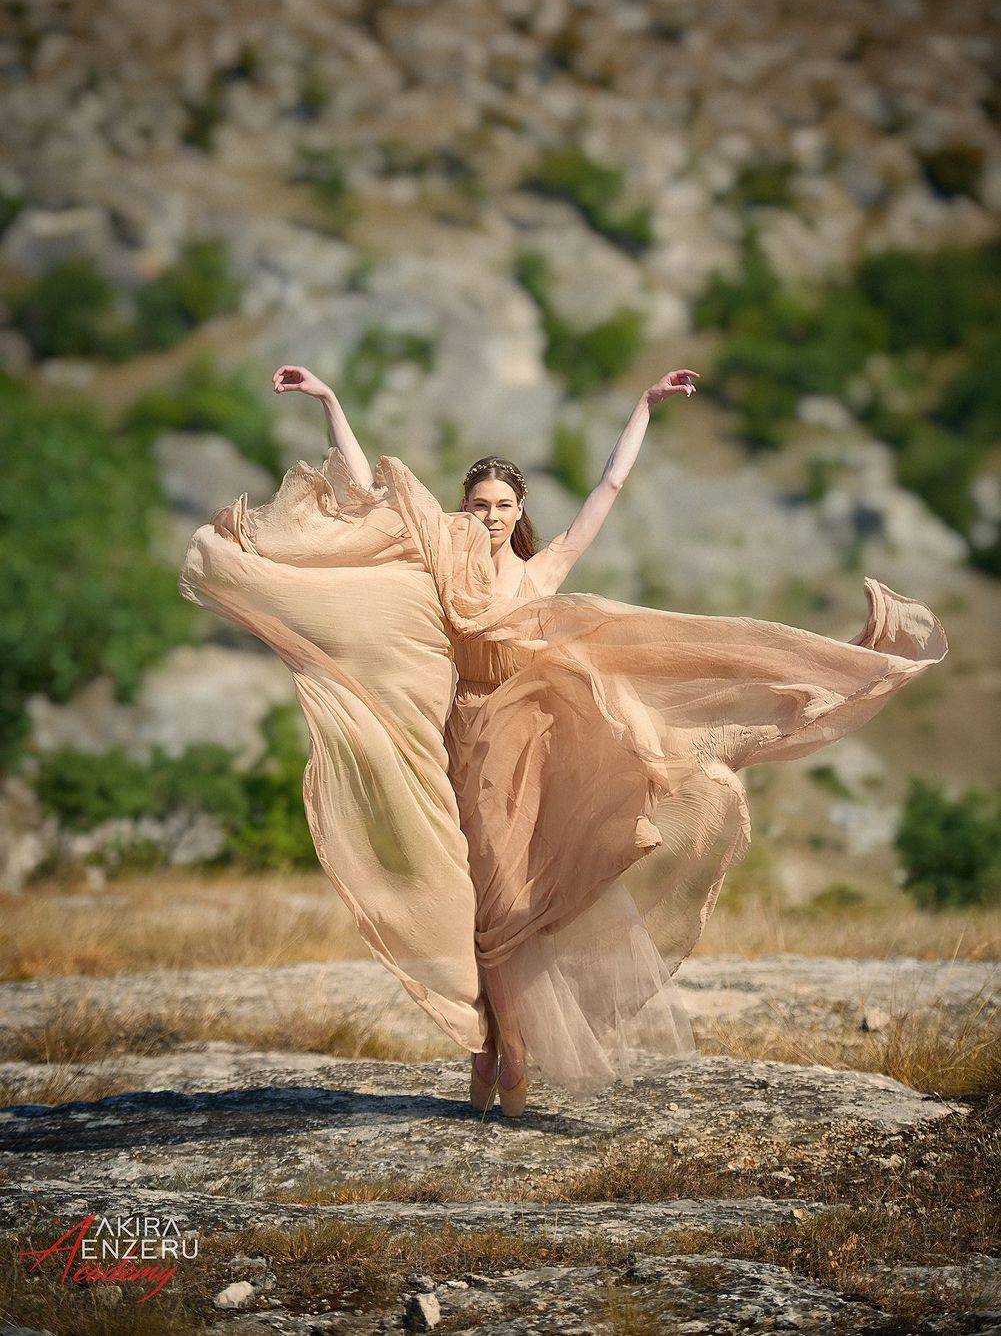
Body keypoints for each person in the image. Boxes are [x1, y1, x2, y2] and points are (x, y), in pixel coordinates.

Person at [178, 363, 948, 1120]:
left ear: (519, 510)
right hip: (461, 745)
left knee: (513, 903)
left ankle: (508, 1051)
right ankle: (489, 1044)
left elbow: (606, 490)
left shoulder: (539, 572)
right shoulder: (444, 565)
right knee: (473, 903)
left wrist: (643, 407)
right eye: (477, 503)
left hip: (530, 753)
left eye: (502, 503)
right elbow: (372, 491)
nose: (488, 515)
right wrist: (330, 400)